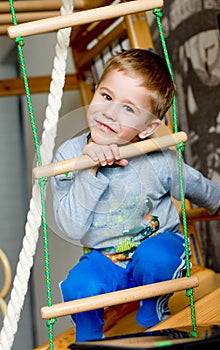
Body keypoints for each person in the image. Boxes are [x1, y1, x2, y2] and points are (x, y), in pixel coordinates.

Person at [51, 49, 220, 342]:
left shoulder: (159, 160)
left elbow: (202, 188)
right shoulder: (69, 156)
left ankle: (153, 307)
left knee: (158, 256)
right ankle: (89, 337)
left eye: (129, 108)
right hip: (105, 258)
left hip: (156, 247)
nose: (110, 112)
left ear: (147, 128)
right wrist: (87, 169)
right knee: (80, 284)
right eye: (106, 96)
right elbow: (71, 227)